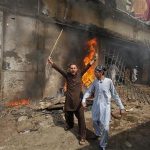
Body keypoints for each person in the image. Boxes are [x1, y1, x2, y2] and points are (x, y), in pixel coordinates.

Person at [48, 57, 96, 145]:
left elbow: (87, 66)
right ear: (69, 69)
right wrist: (52, 63)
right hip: (69, 100)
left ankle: (82, 136)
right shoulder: (67, 75)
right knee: (67, 113)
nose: (73, 69)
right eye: (71, 68)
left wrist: (93, 60)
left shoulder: (80, 73)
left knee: (81, 120)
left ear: (77, 69)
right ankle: (70, 125)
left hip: (79, 102)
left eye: (74, 68)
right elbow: (59, 70)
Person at [82, 65, 125, 150]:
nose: (94, 73)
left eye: (96, 72)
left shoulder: (109, 81)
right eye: (95, 71)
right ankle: (98, 133)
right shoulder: (95, 82)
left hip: (105, 107)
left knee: (105, 128)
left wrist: (121, 107)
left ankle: (103, 145)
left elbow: (115, 95)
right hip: (96, 106)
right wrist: (84, 99)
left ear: (101, 72)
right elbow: (89, 91)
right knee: (94, 121)